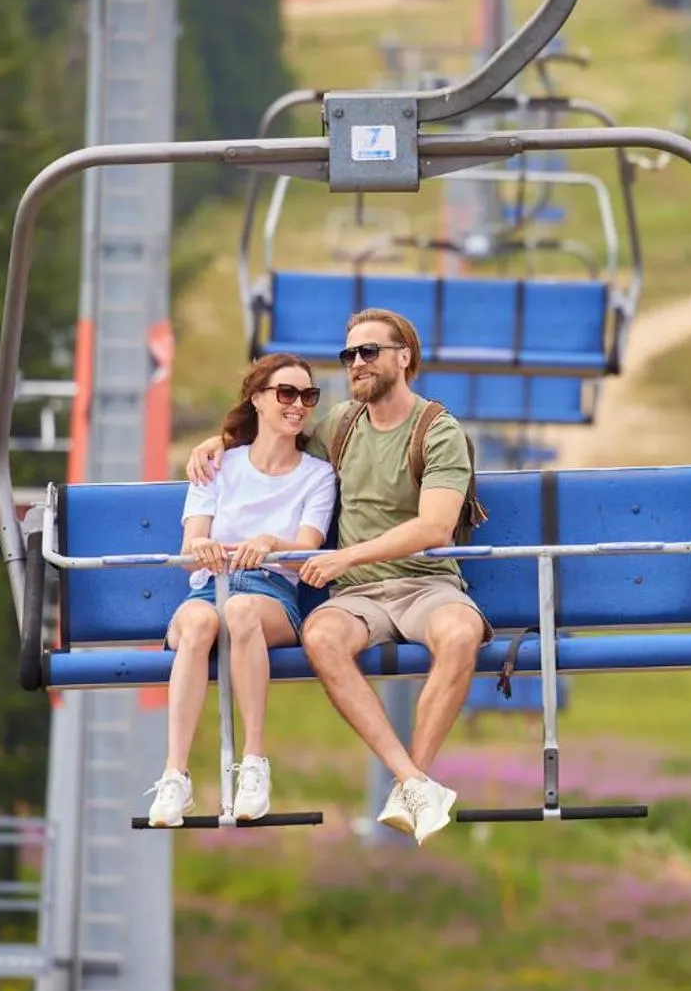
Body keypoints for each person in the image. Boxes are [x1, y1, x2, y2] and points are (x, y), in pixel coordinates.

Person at [186, 308, 490, 846]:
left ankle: (410, 781)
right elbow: (276, 436)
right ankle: (416, 782)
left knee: (461, 634)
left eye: (369, 352)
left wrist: (347, 557)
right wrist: (220, 442)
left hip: (426, 583)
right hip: (358, 597)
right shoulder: (341, 427)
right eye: (349, 355)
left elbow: (436, 526)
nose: (356, 364)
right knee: (322, 636)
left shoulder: (436, 431)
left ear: (404, 357)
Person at [146, 354, 337, 827]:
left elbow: (306, 550)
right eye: (286, 394)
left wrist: (272, 544)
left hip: (270, 592)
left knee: (242, 611)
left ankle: (253, 761)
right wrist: (205, 547)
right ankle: (175, 773)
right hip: (210, 587)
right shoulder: (217, 466)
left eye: (307, 396)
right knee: (198, 622)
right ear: (258, 400)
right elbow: (190, 546)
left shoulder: (317, 476)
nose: (298, 406)